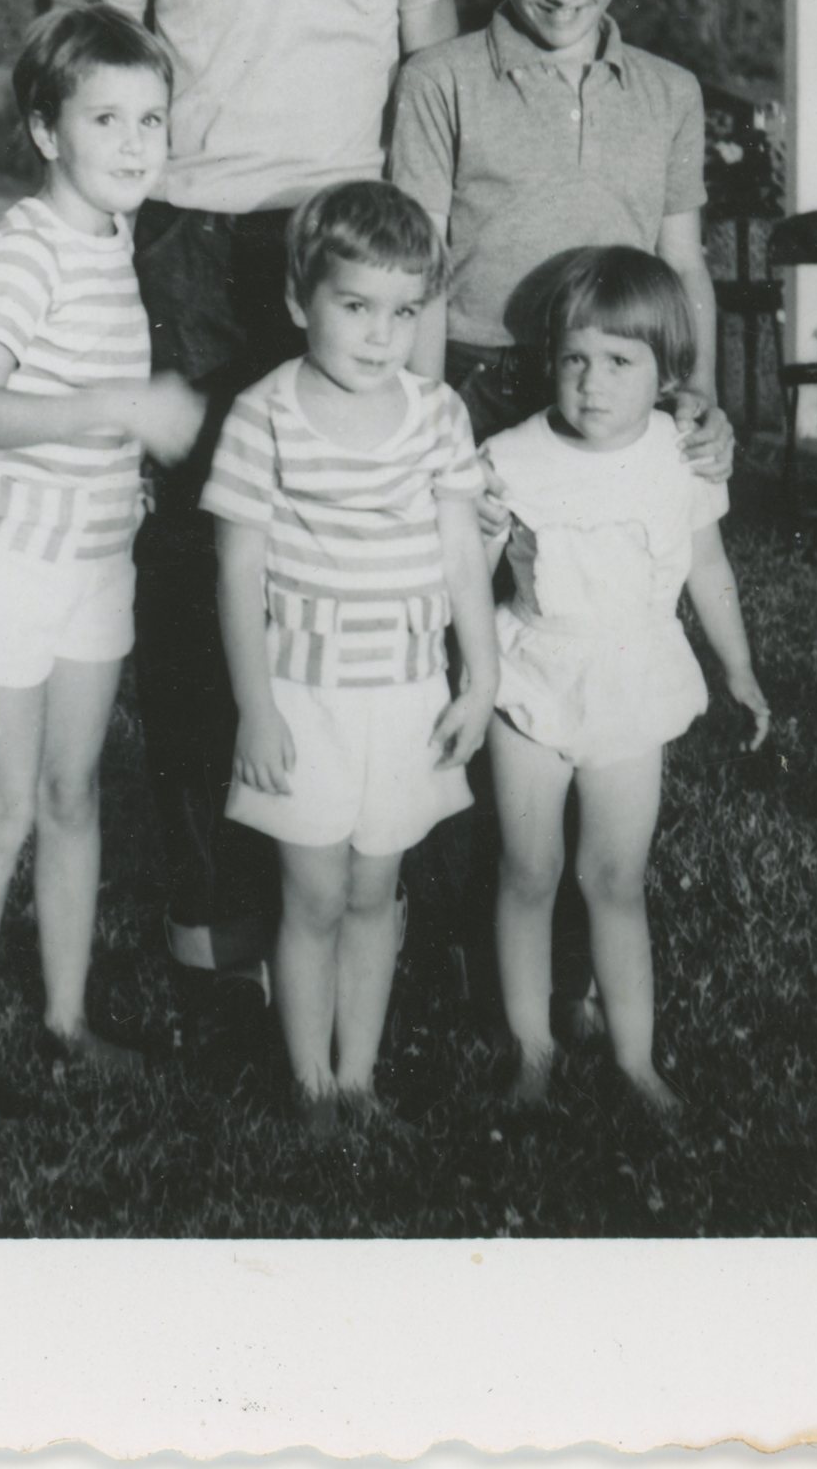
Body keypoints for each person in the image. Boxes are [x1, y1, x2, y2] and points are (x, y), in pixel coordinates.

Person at [92, 0, 462, 980]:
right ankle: (208, 925)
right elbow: (105, 118)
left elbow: (431, 108)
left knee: (361, 570)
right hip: (186, 248)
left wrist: (413, 305)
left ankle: (371, 907)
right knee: (197, 584)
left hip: (346, 247)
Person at [387, 0, 734, 1028]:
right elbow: (421, 271)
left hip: (618, 400)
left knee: (608, 657)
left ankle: (586, 969)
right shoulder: (439, 84)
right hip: (484, 387)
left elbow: (684, 263)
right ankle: (473, 953)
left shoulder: (672, 94)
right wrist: (425, 425)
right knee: (480, 669)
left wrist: (699, 395)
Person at [0, 6, 205, 1119]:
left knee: (75, 793)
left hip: (93, 558)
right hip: (1, 564)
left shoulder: (115, 240)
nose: (137, 143)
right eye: (106, 119)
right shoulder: (21, 252)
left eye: (153, 119)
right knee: (3, 809)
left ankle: (66, 1020)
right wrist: (117, 406)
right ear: (46, 132)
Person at [202, 183, 497, 1132]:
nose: (380, 336)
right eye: (354, 306)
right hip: (303, 695)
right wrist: (256, 707)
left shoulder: (438, 414)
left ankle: (358, 1076)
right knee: (314, 894)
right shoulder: (264, 415)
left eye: (404, 312)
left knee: (377, 890)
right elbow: (237, 568)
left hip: (406, 694)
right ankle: (309, 1082)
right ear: (300, 302)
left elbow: (460, 554)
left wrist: (479, 677)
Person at [482, 247, 769, 1115]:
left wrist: (740, 670)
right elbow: (464, 578)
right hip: (530, 676)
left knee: (614, 878)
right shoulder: (509, 455)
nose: (592, 384)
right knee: (527, 870)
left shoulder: (678, 458)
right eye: (574, 359)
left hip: (632, 679)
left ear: (667, 373)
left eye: (619, 362)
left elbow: (707, 568)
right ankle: (529, 1050)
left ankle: (635, 1059)